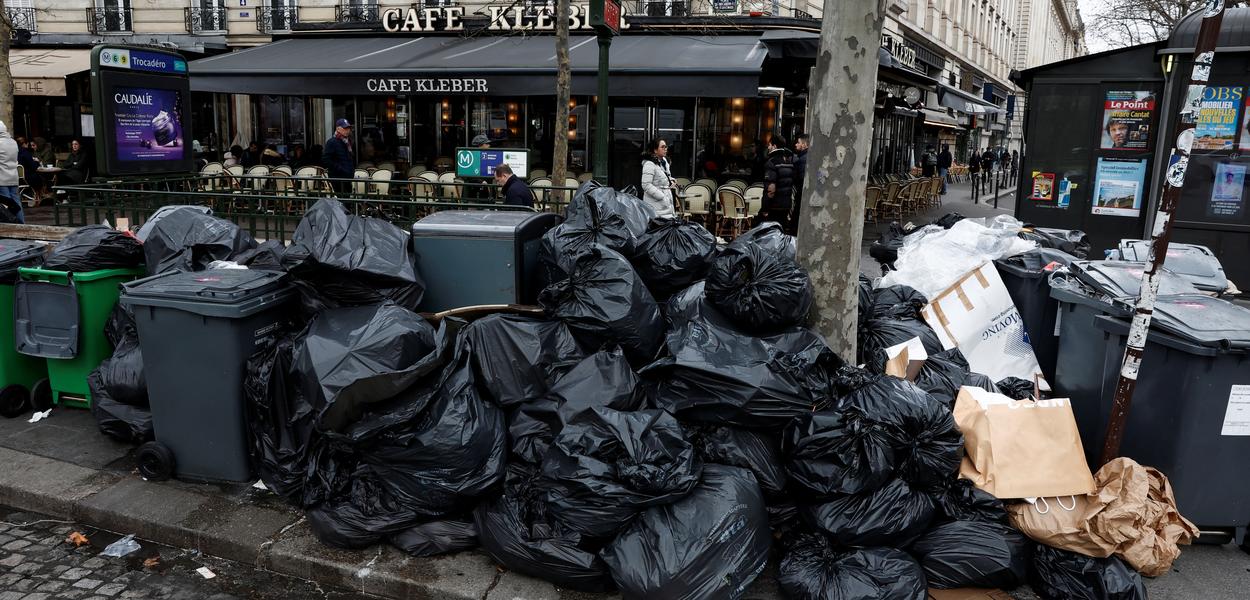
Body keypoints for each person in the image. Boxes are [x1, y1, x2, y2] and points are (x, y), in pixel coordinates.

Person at [762, 134, 797, 233]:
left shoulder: (771, 162)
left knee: (770, 234)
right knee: (781, 232)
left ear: (774, 146)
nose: (768, 147)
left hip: (774, 205)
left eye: (769, 145)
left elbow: (770, 188)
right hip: (786, 204)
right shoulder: (789, 161)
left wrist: (765, 208)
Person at [640, 138, 677, 218]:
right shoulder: (649, 164)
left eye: (666, 147)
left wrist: (670, 180)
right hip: (655, 205)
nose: (665, 149)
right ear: (655, 150)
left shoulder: (664, 162)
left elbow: (661, 177)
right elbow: (646, 185)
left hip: (666, 204)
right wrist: (662, 197)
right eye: (662, 147)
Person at [322, 118, 355, 194]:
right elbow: (326, 159)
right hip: (337, 179)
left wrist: (350, 171)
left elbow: (348, 159)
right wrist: (340, 169)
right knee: (341, 202)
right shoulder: (332, 142)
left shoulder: (347, 142)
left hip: (347, 179)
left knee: (347, 202)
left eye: (348, 128)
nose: (347, 130)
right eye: (345, 128)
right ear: (338, 129)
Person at [0, 122, 23, 222]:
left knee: (7, 205)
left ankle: (12, 226)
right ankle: (22, 225)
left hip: (2, 178)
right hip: (13, 177)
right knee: (17, 203)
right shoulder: (13, 142)